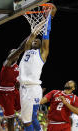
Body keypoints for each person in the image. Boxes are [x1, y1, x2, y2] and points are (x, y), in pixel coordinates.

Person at [18, 3, 57, 131]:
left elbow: (46, 36)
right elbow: (30, 38)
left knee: (27, 121)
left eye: (37, 41)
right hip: (27, 89)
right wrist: (35, 30)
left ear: (41, 45)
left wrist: (48, 18)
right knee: (32, 118)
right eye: (34, 40)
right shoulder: (27, 50)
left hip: (31, 88)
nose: (35, 41)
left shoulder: (42, 54)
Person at [0, 38, 28, 131]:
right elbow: (20, 49)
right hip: (5, 92)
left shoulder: (17, 67)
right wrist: (31, 36)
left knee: (25, 110)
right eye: (13, 52)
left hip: (13, 91)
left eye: (16, 52)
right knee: (11, 118)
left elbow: (17, 82)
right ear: (10, 55)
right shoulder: (8, 62)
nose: (16, 53)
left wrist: (19, 85)